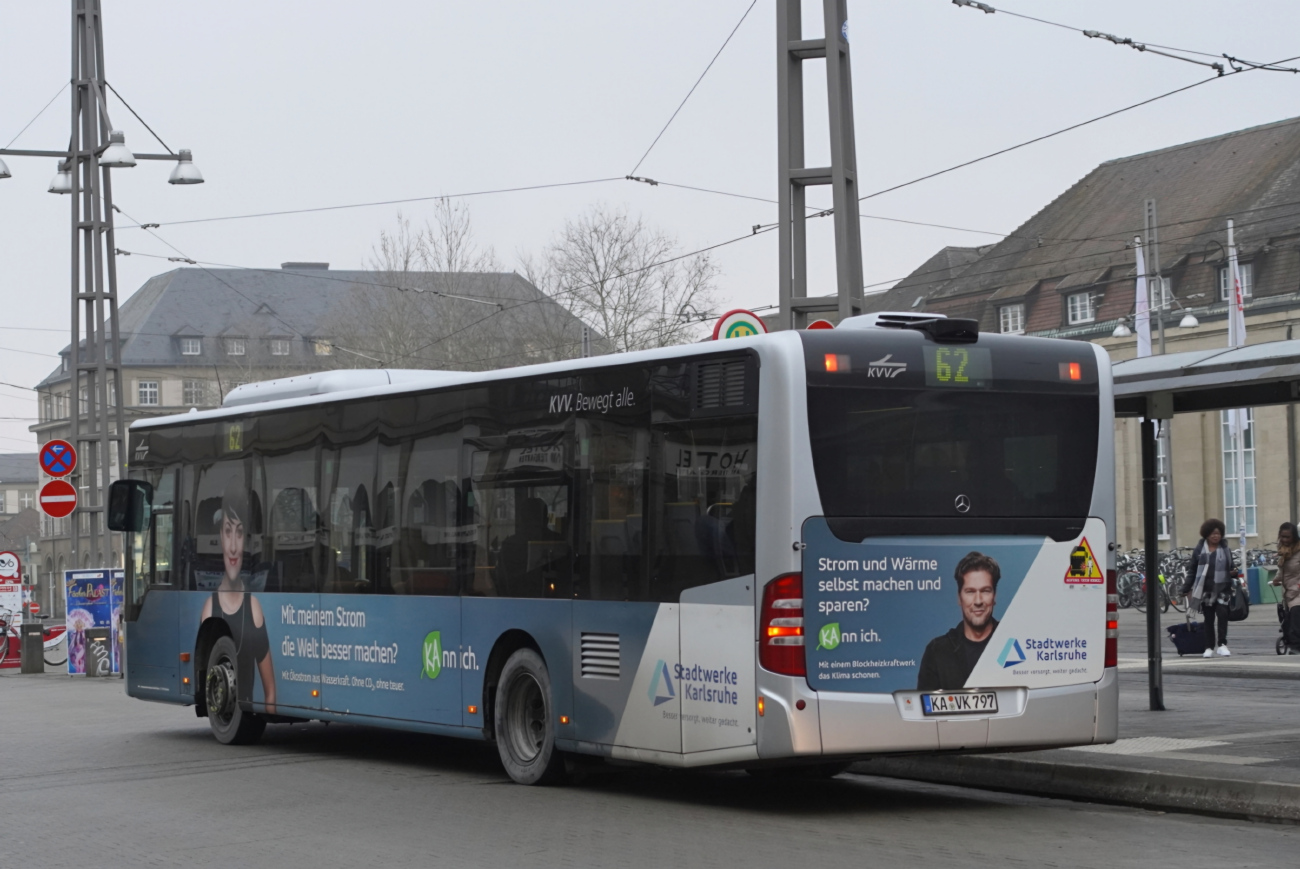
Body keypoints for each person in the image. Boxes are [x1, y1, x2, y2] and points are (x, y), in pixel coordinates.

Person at [199, 477, 276, 712]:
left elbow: (271, 692)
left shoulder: (253, 607)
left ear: (247, 541)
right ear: (220, 537)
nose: (233, 546)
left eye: (240, 533)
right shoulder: (209, 609)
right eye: (228, 531)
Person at [918, 552, 1000, 691]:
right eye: (970, 592)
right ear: (959, 598)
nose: (978, 601)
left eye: (985, 591)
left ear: (994, 596)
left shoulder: (1011, 643)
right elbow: (924, 709)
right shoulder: (938, 651)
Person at [1182, 518, 1238, 658]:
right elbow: (1192, 571)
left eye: (1218, 533)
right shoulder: (1199, 550)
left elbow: (1232, 568)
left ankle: (1222, 644)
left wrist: (1234, 572)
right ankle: (1208, 647)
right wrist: (1186, 587)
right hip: (1206, 590)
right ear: (1206, 534)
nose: (1216, 536)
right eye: (1213, 533)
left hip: (1223, 588)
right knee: (1208, 619)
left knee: (1223, 615)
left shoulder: (1225, 549)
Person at [1271, 522, 1300, 654]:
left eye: (1288, 537)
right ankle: (1289, 639)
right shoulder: (1283, 551)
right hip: (1288, 591)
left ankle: (1295, 646)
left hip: (1298, 590)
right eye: (1282, 536)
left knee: (1295, 614)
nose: (1285, 540)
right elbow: (1282, 569)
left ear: (1294, 537)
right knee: (1285, 617)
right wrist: (1277, 579)